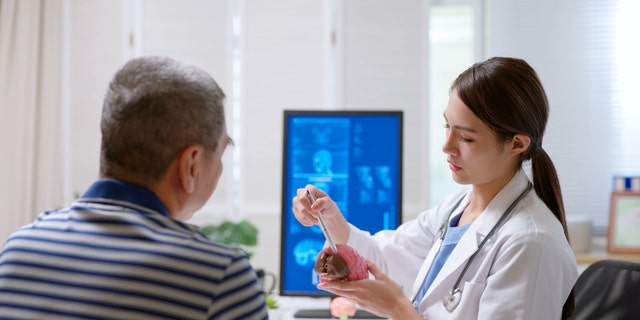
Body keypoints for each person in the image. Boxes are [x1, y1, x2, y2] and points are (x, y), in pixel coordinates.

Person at [292, 57, 577, 319]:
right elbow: (384, 255)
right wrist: (330, 219)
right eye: (447, 126)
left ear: (516, 144)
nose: (446, 146)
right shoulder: (458, 207)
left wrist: (398, 309)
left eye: (465, 137)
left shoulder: (530, 243)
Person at [0, 56, 268, 320]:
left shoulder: (18, 250)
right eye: (221, 153)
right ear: (191, 165)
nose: (220, 168)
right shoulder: (220, 278)